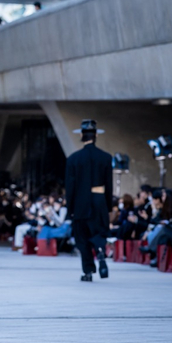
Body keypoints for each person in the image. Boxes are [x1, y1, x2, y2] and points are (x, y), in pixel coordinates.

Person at [65, 119, 113, 282]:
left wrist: (69, 209)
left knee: (82, 238)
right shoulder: (105, 158)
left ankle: (88, 272)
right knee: (99, 232)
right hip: (99, 201)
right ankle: (100, 252)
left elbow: (70, 187)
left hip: (80, 204)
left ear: (81, 135)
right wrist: (108, 206)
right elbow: (109, 184)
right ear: (96, 136)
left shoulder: (73, 159)